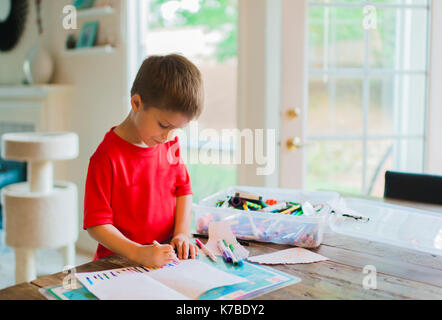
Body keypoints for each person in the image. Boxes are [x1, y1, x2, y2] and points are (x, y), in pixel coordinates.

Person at [83, 54, 204, 267]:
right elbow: (97, 224)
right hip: (119, 263)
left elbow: (183, 189)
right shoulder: (105, 158)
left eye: (177, 129)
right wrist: (138, 253)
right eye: (164, 125)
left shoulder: (169, 144)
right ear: (137, 103)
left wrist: (182, 233)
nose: (169, 135)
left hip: (167, 257)